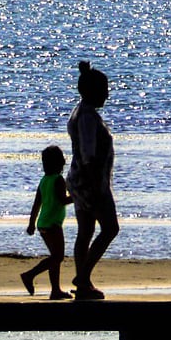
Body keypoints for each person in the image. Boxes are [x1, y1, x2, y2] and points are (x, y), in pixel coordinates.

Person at [65, 60, 119, 300]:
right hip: (90, 182)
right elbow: (89, 155)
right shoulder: (87, 117)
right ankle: (83, 276)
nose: (107, 95)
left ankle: (84, 285)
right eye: (104, 90)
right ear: (93, 91)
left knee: (85, 231)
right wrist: (96, 188)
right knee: (110, 228)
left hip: (79, 180)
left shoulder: (81, 111)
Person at [21, 145, 74, 300]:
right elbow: (63, 200)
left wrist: (32, 223)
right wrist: (77, 196)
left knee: (54, 257)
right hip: (53, 224)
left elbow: (36, 204)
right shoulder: (58, 180)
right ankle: (30, 275)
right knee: (58, 257)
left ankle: (55, 290)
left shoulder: (44, 180)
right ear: (60, 162)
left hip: (43, 223)